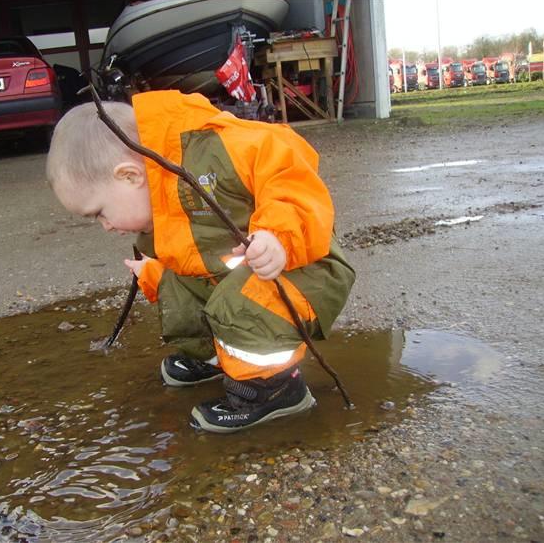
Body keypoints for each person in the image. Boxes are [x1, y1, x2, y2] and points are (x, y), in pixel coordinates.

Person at [46, 90, 355, 433]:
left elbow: (288, 172)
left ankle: (274, 387)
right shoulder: (159, 199)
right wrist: (153, 273)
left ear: (129, 176)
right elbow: (192, 260)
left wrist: (277, 236)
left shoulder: (218, 148)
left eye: (99, 213)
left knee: (239, 304)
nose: (104, 226)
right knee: (175, 286)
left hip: (303, 268)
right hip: (247, 272)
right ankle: (221, 359)